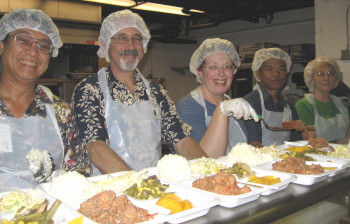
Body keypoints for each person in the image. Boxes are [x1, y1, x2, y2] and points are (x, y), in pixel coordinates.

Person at [72, 9, 207, 175]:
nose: (130, 46)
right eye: (122, 38)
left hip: (153, 184)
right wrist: (137, 185)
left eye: (137, 39)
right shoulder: (90, 89)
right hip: (110, 189)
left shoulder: (156, 92)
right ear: (106, 44)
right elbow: (95, 147)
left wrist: (208, 170)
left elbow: (180, 139)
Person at [0, 8, 90, 184]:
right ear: (2, 46)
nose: (33, 52)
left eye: (43, 46)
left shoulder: (61, 112)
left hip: (49, 210)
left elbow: (78, 173)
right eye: (23, 40)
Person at [176, 38, 259, 157]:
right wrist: (221, 110)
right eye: (213, 67)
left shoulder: (236, 105)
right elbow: (203, 162)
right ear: (199, 72)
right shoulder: (187, 107)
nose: (221, 73)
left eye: (227, 67)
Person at [240, 48, 303, 147]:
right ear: (258, 74)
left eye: (281, 69)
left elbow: (296, 142)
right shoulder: (250, 104)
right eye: (269, 69)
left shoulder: (289, 107)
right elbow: (253, 145)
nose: (276, 74)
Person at [295, 57, 349, 141]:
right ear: (311, 78)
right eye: (320, 74)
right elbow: (310, 141)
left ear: (336, 78)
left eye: (331, 74)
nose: (326, 78)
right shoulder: (304, 105)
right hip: (317, 153)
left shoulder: (343, 105)